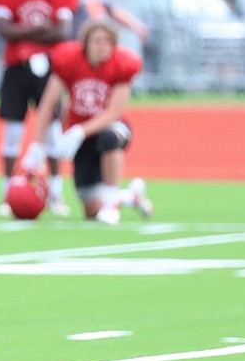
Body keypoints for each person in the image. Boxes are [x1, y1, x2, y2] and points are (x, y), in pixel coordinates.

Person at [0, 0, 80, 217]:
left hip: (51, 69)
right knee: (13, 133)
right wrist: (41, 29)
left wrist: (24, 32)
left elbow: (62, 31)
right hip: (16, 68)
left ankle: (55, 194)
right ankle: (7, 194)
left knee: (52, 131)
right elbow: (3, 30)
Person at [22, 20, 153, 224]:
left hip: (112, 128)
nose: (103, 46)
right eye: (98, 41)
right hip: (83, 136)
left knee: (109, 138)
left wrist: (78, 131)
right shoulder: (69, 60)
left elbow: (113, 114)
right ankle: (130, 196)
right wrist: (36, 144)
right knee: (91, 211)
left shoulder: (122, 64)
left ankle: (111, 205)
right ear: (85, 43)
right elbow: (47, 105)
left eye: (108, 42)